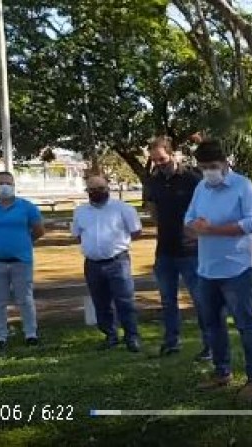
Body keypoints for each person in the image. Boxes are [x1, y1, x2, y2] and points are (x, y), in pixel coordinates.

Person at [185, 140, 252, 401]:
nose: (209, 171)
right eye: (204, 167)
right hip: (207, 269)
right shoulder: (201, 187)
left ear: (225, 163)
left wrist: (213, 230)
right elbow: (188, 221)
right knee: (213, 324)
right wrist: (195, 225)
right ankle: (222, 372)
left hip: (236, 269)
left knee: (245, 325)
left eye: (213, 166)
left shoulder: (244, 186)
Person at [145, 136, 210, 359]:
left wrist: (194, 233)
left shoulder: (193, 179)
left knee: (200, 299)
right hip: (164, 251)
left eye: (162, 159)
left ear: (172, 154)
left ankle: (210, 344)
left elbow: (205, 210)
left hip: (191, 251)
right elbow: (152, 210)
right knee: (167, 299)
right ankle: (172, 341)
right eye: (155, 161)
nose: (159, 164)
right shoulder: (152, 181)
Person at [0, 171, 45, 350]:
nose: (4, 186)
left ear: (13, 185)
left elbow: (39, 230)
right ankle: (0, 336)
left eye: (8, 183)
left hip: (22, 261)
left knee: (25, 299)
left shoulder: (27, 207)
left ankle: (31, 334)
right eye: (1, 183)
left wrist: (22, 242)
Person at [72, 174, 143, 352]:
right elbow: (77, 234)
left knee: (125, 301)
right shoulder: (80, 211)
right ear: (87, 191)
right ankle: (110, 335)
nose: (96, 192)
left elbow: (136, 231)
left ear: (108, 188)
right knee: (101, 302)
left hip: (118, 261)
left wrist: (117, 244)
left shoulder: (123, 208)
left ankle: (132, 337)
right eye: (92, 189)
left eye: (100, 188)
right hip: (92, 263)